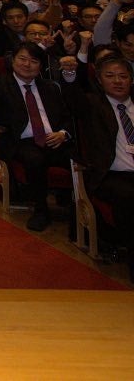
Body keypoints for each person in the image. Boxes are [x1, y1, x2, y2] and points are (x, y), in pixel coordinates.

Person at [0, 41, 76, 232]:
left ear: (41, 66)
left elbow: (68, 116)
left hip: (53, 139)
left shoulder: (50, 88)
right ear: (13, 61)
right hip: (20, 141)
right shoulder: (2, 84)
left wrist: (63, 134)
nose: (27, 64)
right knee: (35, 159)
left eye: (34, 61)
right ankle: (41, 209)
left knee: (78, 156)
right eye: (22, 59)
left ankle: (78, 208)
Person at [73, 51, 134, 275]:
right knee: (128, 196)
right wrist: (73, 69)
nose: (118, 81)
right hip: (111, 175)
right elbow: (73, 94)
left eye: (123, 76)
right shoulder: (93, 105)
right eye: (110, 76)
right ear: (99, 80)